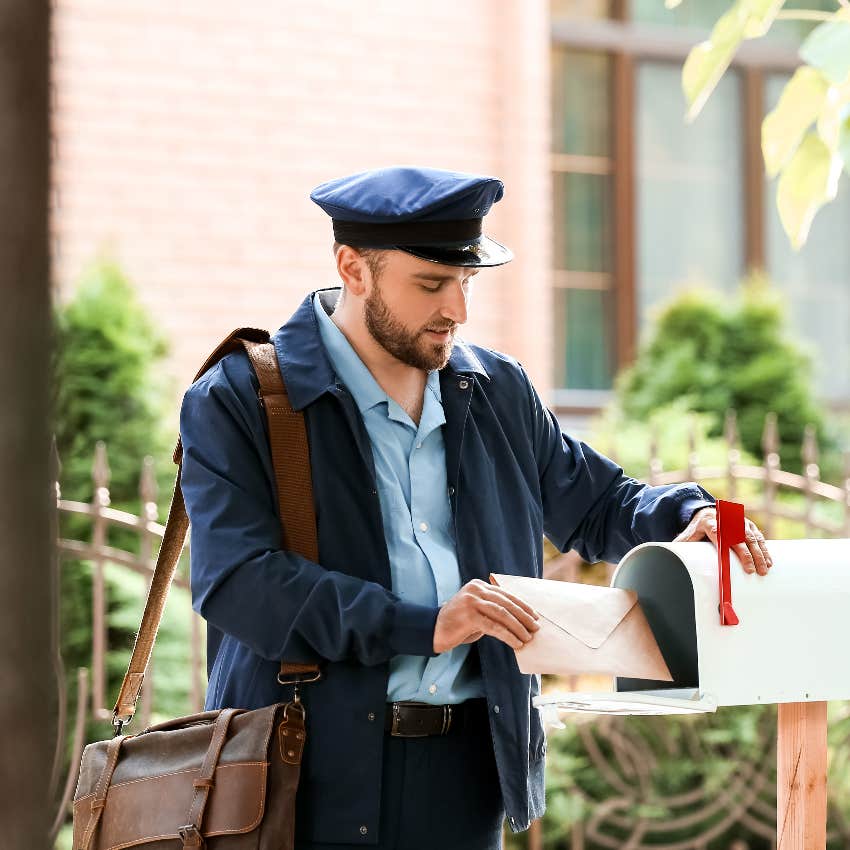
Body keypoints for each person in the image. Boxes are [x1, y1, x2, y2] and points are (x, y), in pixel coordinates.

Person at [179, 166, 773, 850]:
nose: (456, 310)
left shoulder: (496, 390)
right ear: (354, 269)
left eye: (467, 282)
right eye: (431, 284)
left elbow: (599, 504)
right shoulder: (239, 399)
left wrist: (684, 518)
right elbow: (239, 583)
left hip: (466, 783)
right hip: (300, 779)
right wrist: (423, 625)